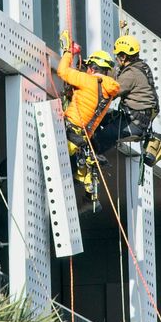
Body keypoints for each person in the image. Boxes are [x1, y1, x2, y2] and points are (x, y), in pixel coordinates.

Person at [91, 34, 161, 166]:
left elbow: (112, 92)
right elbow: (117, 74)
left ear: (124, 56)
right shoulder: (139, 67)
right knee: (101, 119)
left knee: (103, 135)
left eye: (117, 56)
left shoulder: (131, 74)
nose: (116, 58)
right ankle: (95, 152)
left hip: (134, 123)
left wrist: (87, 83)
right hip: (136, 119)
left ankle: (94, 155)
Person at [57, 32, 119, 199]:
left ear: (92, 68)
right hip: (82, 137)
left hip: (70, 130)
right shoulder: (108, 91)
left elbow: (62, 71)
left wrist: (69, 52)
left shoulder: (88, 80)